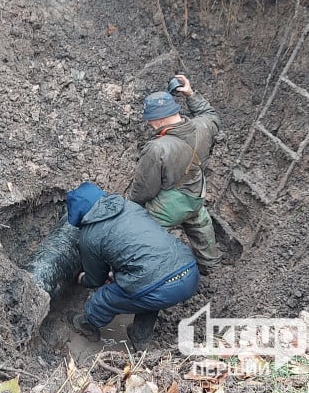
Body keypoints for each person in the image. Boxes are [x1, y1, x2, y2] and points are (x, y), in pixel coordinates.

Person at [65, 182, 200, 351]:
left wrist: (83, 278)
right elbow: (139, 249)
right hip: (189, 270)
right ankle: (140, 336)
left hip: (158, 284)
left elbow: (96, 278)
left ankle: (87, 325)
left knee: (103, 299)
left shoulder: (89, 236)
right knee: (148, 296)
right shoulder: (130, 207)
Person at [128, 74, 222, 276]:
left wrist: (132, 208)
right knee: (200, 224)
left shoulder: (157, 148)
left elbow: (145, 190)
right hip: (197, 194)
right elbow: (211, 114)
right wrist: (190, 94)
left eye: (150, 120)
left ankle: (149, 271)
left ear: (159, 119)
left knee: (145, 233)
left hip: (170, 206)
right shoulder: (203, 126)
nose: (149, 124)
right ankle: (212, 268)